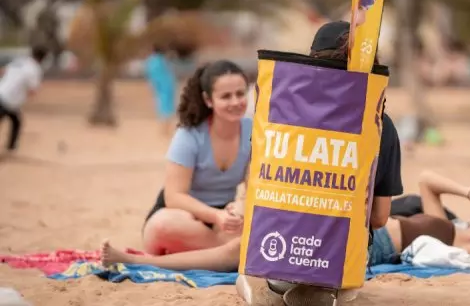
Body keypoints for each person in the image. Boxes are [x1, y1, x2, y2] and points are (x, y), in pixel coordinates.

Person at [101, 21, 404, 306]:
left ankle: (270, 286)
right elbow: (378, 218)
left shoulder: (282, 115)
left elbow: (264, 186)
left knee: (249, 259)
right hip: (339, 257)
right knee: (340, 275)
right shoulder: (380, 124)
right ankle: (325, 287)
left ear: (313, 62)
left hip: (281, 247)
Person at [139, 60, 251, 264]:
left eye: (240, 94)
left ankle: (215, 256)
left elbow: (254, 187)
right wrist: (216, 216)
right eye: (226, 96)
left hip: (226, 220)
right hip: (182, 216)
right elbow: (173, 196)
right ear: (208, 100)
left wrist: (239, 206)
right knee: (162, 225)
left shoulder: (254, 132)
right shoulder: (188, 136)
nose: (235, 102)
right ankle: (228, 255)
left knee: (256, 229)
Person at [0, 47, 47, 153]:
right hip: (9, 100)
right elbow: (33, 90)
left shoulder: (21, 61)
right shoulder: (35, 69)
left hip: (2, 93)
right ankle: (11, 147)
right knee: (16, 121)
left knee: (16, 121)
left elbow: (3, 71)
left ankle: (11, 147)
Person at [145, 45, 177, 136]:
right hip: (167, 85)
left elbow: (150, 75)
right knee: (167, 107)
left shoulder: (150, 61)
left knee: (162, 106)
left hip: (159, 86)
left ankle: (163, 130)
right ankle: (165, 130)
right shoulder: (162, 60)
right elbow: (169, 72)